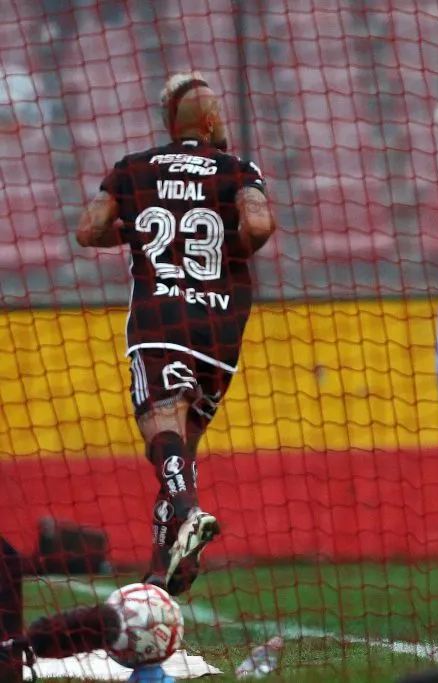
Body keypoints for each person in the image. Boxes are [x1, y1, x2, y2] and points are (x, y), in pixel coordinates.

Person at [75, 71, 278, 596]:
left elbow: (87, 230)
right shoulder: (238, 168)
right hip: (221, 326)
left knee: (159, 422)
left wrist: (137, 229)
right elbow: (258, 228)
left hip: (160, 316)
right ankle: (160, 575)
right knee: (182, 452)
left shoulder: (132, 168)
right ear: (210, 123)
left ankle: (187, 512)